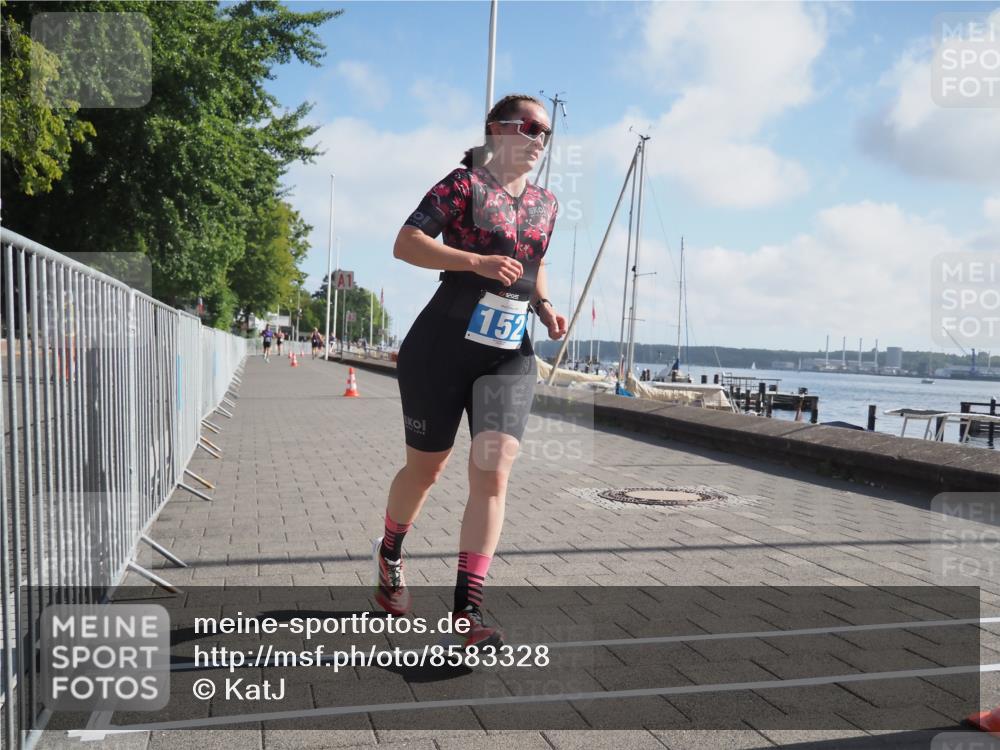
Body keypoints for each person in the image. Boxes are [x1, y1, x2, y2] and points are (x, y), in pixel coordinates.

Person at [372, 94, 566, 650]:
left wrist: (544, 305)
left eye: (545, 134)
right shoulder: (462, 186)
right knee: (426, 472)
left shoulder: (547, 204)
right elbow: (405, 243)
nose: (538, 140)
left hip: (508, 353)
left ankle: (468, 612)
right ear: (495, 129)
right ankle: (390, 554)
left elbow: (536, 261)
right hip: (441, 346)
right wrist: (475, 262)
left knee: (493, 473)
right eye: (529, 127)